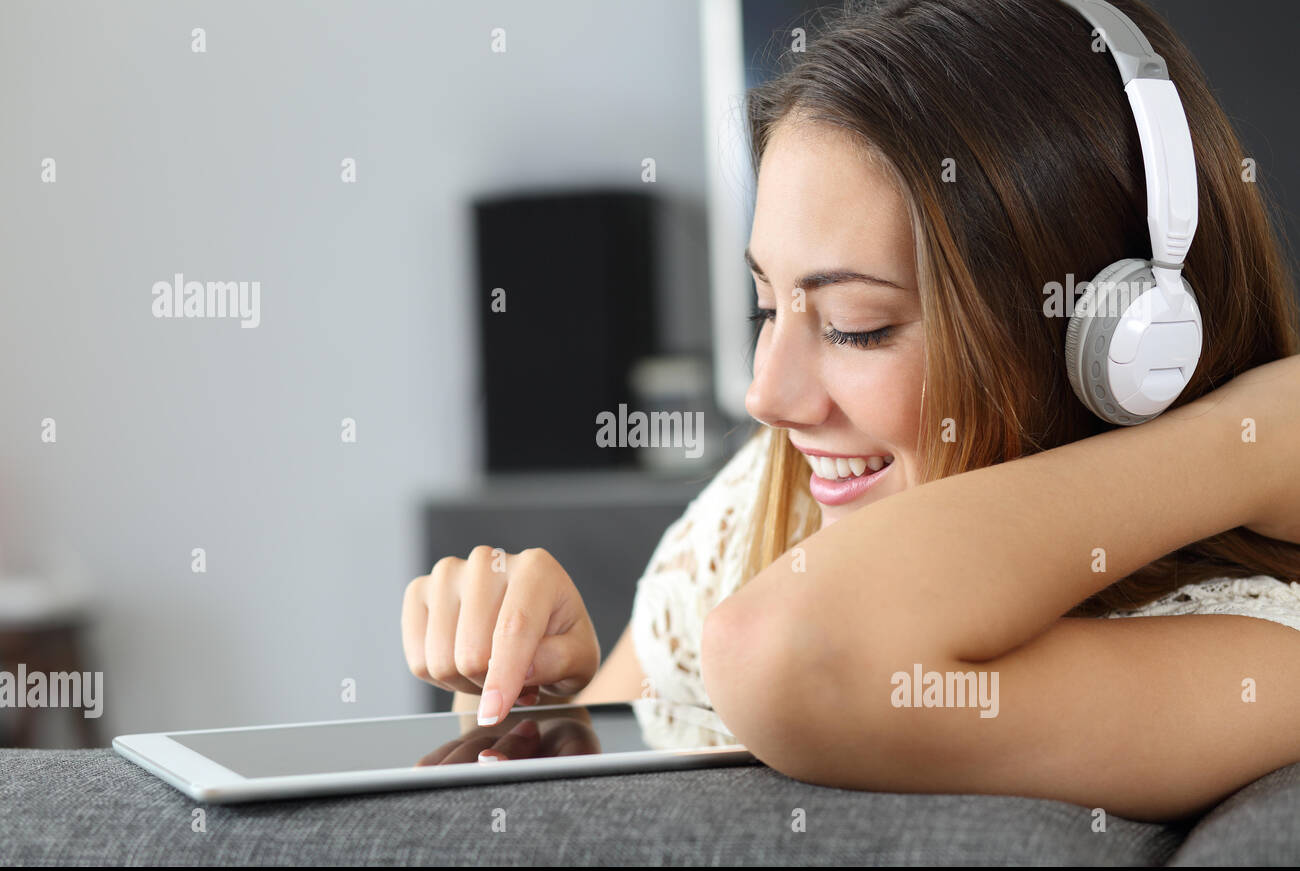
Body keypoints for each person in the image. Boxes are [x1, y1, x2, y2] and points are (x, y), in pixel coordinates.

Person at [400, 0, 1300, 820]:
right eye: (767, 307)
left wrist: (1239, 446)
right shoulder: (770, 496)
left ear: (1125, 346)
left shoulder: (1250, 651)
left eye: (856, 326)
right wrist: (547, 711)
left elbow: (793, 653)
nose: (765, 397)